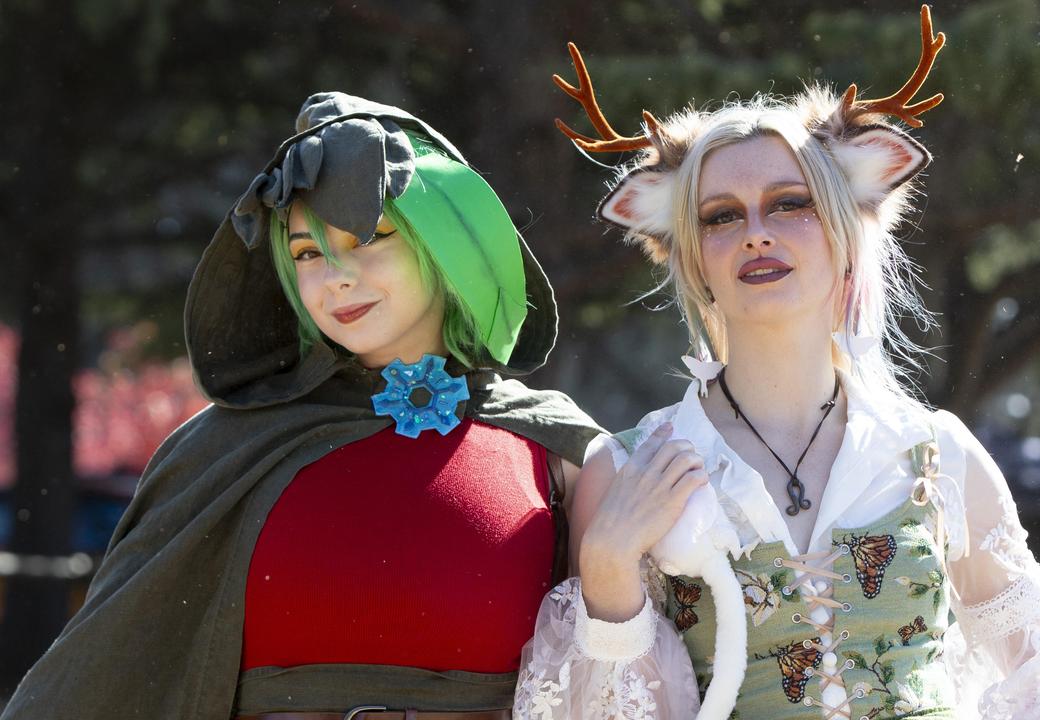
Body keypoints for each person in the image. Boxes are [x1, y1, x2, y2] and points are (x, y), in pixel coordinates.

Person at [514, 8, 1040, 719]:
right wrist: (607, 575)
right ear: (691, 258)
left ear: (848, 237)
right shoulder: (629, 470)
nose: (756, 233)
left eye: (790, 204)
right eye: (722, 215)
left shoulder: (936, 455)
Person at [1, 92, 603, 720]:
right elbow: (107, 673)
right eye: (307, 253)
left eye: (365, 237)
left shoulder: (555, 451)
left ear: (446, 242)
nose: (335, 276)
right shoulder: (219, 451)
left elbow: (624, 681)